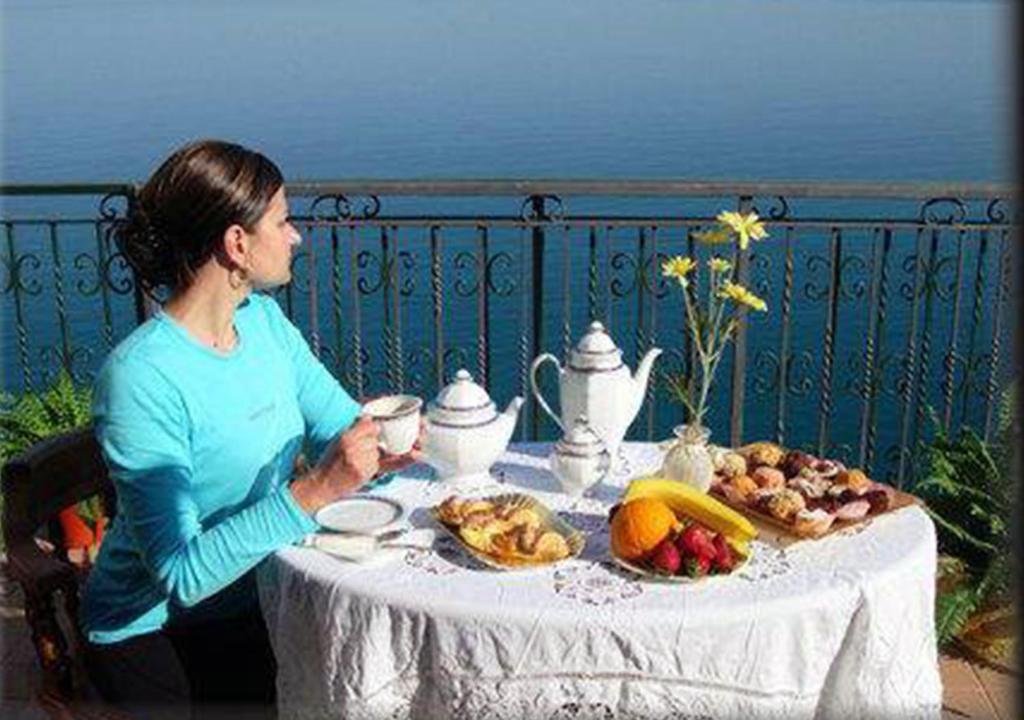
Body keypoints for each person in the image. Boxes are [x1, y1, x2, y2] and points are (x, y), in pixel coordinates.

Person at [80, 139, 420, 720]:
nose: (296, 237)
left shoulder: (263, 324)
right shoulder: (141, 379)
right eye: (284, 222)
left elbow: (338, 425)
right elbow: (181, 574)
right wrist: (317, 489)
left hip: (259, 590)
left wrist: (384, 444)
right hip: (152, 628)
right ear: (237, 243)